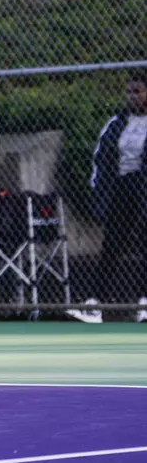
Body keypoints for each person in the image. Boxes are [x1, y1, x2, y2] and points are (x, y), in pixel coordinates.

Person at [66, 69, 147, 324]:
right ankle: (96, 305)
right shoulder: (116, 123)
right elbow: (101, 159)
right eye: (129, 92)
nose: (133, 96)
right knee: (111, 246)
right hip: (122, 188)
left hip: (143, 187)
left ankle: (144, 304)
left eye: (138, 91)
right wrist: (99, 193)